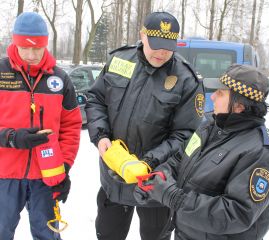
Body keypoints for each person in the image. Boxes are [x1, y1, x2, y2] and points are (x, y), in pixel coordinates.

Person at [134, 64, 269, 240]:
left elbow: (236, 214)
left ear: (239, 106)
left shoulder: (261, 153)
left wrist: (174, 198)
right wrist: (154, 184)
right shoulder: (209, 127)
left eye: (221, 93)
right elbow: (178, 162)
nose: (213, 96)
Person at [85, 11, 204, 240]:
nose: (162, 52)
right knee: (108, 234)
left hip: (157, 185)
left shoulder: (185, 79)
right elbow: (96, 100)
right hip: (113, 177)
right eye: (157, 44)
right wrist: (100, 136)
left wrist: (149, 161)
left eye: (168, 46)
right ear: (142, 35)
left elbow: (187, 135)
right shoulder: (119, 60)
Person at [0, 12, 82, 240]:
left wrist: (64, 167)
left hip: (46, 176)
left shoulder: (60, 79)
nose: (31, 54)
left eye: (37, 48)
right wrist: (12, 138)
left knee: (47, 235)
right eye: (25, 48)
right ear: (15, 42)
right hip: (4, 174)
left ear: (45, 44)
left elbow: (71, 127)